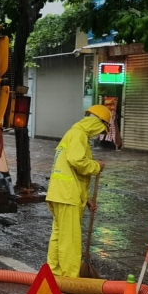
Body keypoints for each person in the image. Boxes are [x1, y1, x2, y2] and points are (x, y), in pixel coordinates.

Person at [46, 104, 112, 278]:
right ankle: (70, 277)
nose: (99, 134)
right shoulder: (79, 135)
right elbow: (77, 161)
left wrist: (87, 198)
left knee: (59, 235)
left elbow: (72, 172)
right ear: (97, 124)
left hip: (59, 193)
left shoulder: (72, 134)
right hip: (68, 196)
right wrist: (96, 166)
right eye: (101, 130)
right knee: (70, 238)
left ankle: (54, 271)